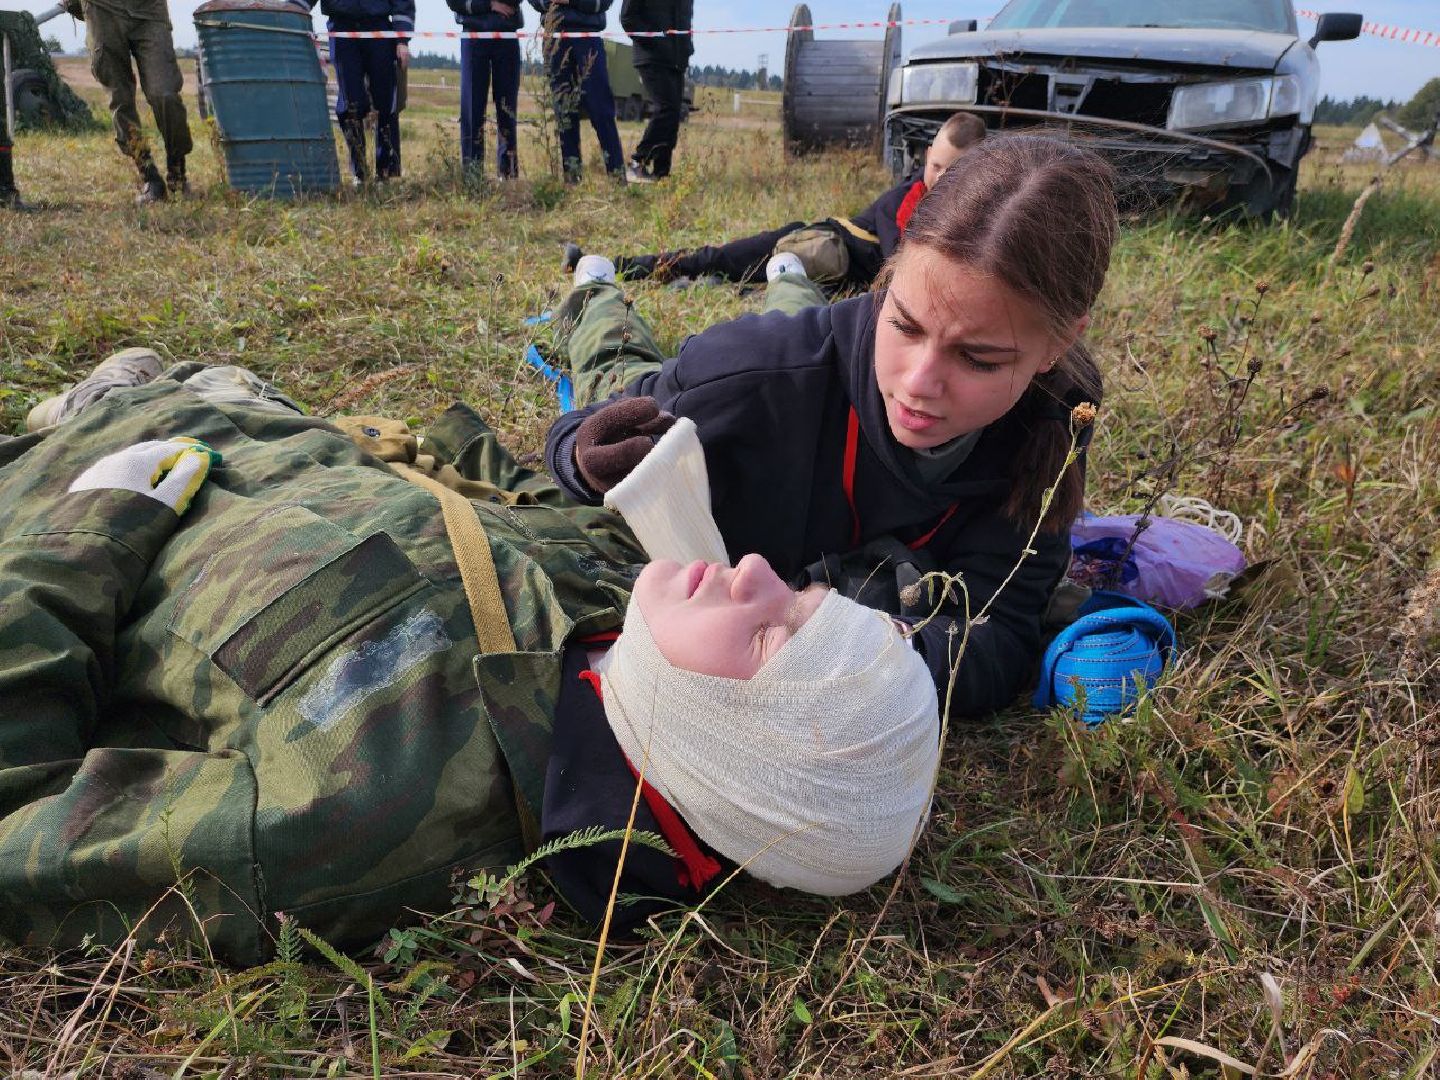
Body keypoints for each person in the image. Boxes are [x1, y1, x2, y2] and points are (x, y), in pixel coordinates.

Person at [0, 355, 938, 963]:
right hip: (254, 410)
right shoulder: (636, 632)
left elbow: (18, 808)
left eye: (776, 635)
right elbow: (509, 522)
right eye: (803, 595)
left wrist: (85, 537)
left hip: (81, 454)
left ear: (743, 758)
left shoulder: (356, 811)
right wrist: (569, 467)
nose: (760, 572)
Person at [544, 134, 1116, 717]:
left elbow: (1002, 634)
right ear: (889, 278)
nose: (919, 383)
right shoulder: (749, 377)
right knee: (614, 358)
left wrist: (868, 648)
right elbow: (572, 437)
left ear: (1060, 342)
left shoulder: (1055, 421)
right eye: (906, 325)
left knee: (808, 321)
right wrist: (586, 457)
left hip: (823, 361)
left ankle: (792, 276)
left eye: (978, 358)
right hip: (758, 367)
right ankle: (596, 287)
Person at [563, 112, 986, 286]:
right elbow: (901, 272)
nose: (943, 178)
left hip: (826, 277)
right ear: (927, 155)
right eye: (938, 166)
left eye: (957, 171)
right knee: (718, 257)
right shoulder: (907, 199)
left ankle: (697, 284)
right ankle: (614, 267)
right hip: (816, 241)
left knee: (741, 279)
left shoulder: (971, 216)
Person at [61, 0, 193, 203]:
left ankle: (177, 171)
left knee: (164, 93)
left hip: (148, 10)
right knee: (120, 98)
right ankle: (149, 176)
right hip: (101, 9)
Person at [296, 0, 414, 182]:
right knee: (350, 103)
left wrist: (402, 40)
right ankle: (359, 173)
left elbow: (403, 2)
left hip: (379, 28)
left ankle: (385, 172)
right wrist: (293, 8)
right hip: (342, 29)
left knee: (386, 101)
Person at [529, 0, 627, 183]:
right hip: (554, 37)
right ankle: (572, 178)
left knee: (602, 110)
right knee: (564, 112)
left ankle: (617, 177)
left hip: (588, 37)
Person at [620, 0, 693, 183]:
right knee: (666, 108)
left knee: (673, 114)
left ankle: (661, 173)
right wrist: (655, 40)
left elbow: (685, 21)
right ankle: (638, 162)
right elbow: (628, 19)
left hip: (677, 59)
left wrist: (687, 48)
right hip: (651, 56)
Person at [448, 0, 523, 179]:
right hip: (473, 35)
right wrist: (489, 4)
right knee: (472, 110)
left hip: (506, 33)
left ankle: (508, 174)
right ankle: (472, 176)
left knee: (507, 109)